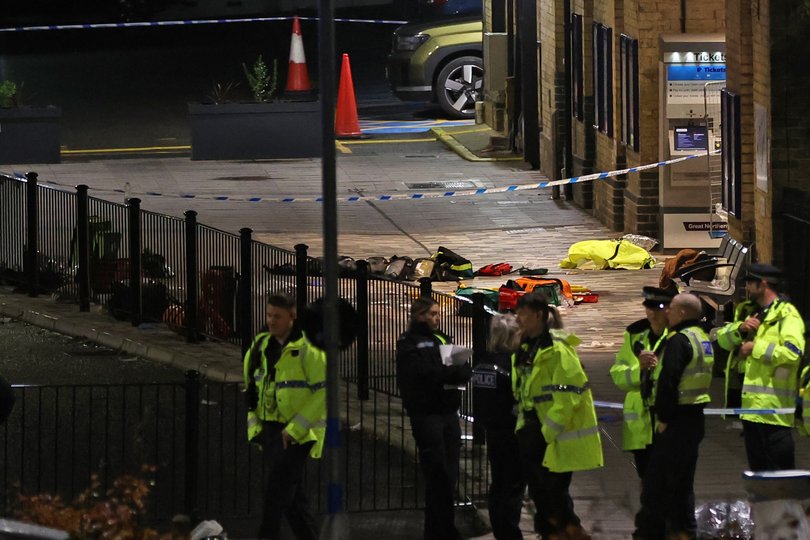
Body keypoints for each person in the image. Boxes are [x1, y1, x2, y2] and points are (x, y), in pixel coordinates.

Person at [512, 292, 602, 540]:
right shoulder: (525, 347)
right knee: (542, 491)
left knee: (553, 492)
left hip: (550, 433)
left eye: (522, 314)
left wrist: (546, 432)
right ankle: (553, 532)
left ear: (539, 315)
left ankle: (566, 532)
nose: (517, 319)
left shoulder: (557, 350)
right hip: (531, 429)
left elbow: (568, 396)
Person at [243, 293, 325, 540]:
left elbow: (324, 391)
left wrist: (295, 429)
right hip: (270, 429)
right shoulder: (260, 345)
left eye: (277, 316)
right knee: (292, 499)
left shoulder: (308, 348)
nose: (271, 321)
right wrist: (256, 427)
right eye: (269, 315)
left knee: (276, 491)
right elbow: (252, 387)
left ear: (292, 317)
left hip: (298, 433)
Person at [633, 293, 713, 540]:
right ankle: (684, 532)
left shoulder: (679, 340)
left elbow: (669, 381)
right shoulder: (702, 338)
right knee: (682, 486)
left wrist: (664, 419)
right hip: (694, 418)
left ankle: (652, 534)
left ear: (680, 313)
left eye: (671, 309)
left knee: (657, 487)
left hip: (676, 420)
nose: (666, 313)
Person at [715, 263, 805, 471]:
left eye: (749, 282)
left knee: (780, 476)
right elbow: (722, 341)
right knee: (758, 478)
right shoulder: (748, 312)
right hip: (750, 411)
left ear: (763, 284)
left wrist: (756, 347)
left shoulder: (786, 315)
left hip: (774, 411)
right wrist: (740, 328)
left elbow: (793, 353)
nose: (746, 287)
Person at [396, 296, 473, 540]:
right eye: (432, 314)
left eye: (438, 314)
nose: (437, 318)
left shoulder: (442, 338)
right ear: (419, 316)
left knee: (449, 476)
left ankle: (442, 529)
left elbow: (461, 368)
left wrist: (452, 373)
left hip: (448, 413)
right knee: (437, 474)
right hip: (426, 414)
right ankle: (439, 530)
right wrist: (447, 373)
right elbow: (422, 374)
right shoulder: (409, 343)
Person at [610, 286, 674, 478]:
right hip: (640, 426)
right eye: (649, 307)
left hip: (667, 422)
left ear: (671, 309)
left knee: (670, 481)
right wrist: (639, 369)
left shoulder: (677, 336)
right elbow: (618, 375)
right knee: (646, 480)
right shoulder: (634, 335)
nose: (653, 313)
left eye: (660, 307)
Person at [471, 313, 525, 540]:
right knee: (513, 488)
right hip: (512, 432)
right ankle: (509, 534)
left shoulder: (484, 362)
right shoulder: (512, 364)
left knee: (499, 484)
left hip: (493, 431)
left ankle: (502, 531)